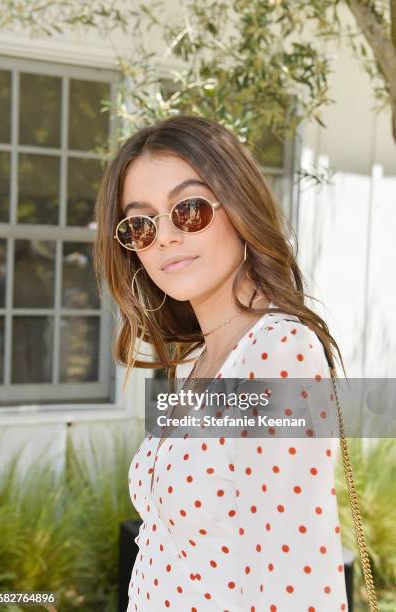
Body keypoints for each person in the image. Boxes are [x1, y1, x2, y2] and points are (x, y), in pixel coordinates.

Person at [94, 115, 349, 611]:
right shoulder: (194, 362)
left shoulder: (278, 355)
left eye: (188, 209)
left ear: (238, 207)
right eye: (141, 224)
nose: (164, 236)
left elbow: (294, 588)